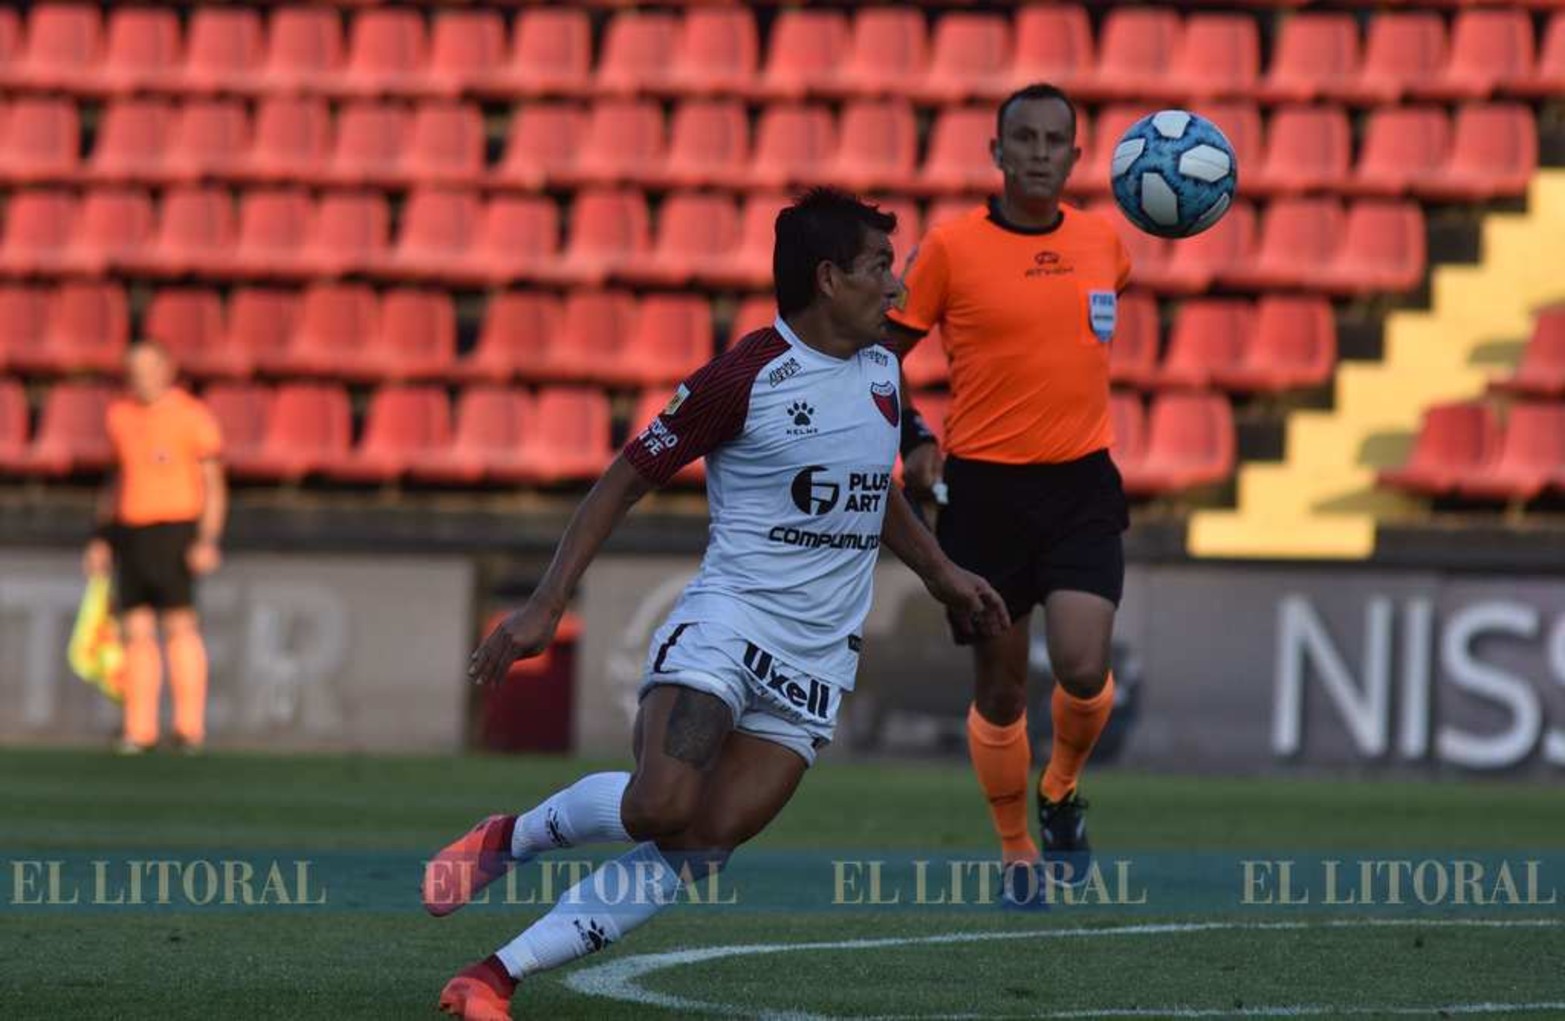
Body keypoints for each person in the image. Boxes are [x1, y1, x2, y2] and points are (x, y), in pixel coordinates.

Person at [423, 188, 1008, 1021]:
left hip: (818, 658)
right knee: (662, 802)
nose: (897, 289)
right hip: (730, 625)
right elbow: (625, 477)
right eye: (881, 267)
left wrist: (942, 572)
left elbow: (868, 489)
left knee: (702, 845)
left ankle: (493, 975)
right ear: (829, 276)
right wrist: (547, 603)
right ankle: (509, 836)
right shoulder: (744, 375)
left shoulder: (883, 369)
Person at [886, 83, 1133, 897]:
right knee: (997, 687)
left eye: (1052, 139)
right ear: (995, 153)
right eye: (1020, 138)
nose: (1036, 152)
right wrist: (915, 437)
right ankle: (1016, 847)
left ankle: (1060, 788)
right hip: (984, 492)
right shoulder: (951, 248)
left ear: (1075, 154)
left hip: (1080, 486)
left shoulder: (1106, 244)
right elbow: (876, 357)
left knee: (1082, 664)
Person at [84, 341, 226, 754]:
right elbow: (115, 480)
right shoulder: (119, 415)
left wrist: (207, 538)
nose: (142, 376)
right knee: (135, 628)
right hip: (131, 530)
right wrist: (101, 536)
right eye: (135, 368)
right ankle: (139, 729)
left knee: (179, 624)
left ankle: (189, 728)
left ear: (168, 369)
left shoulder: (192, 416)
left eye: (149, 367)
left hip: (175, 528)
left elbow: (213, 485)